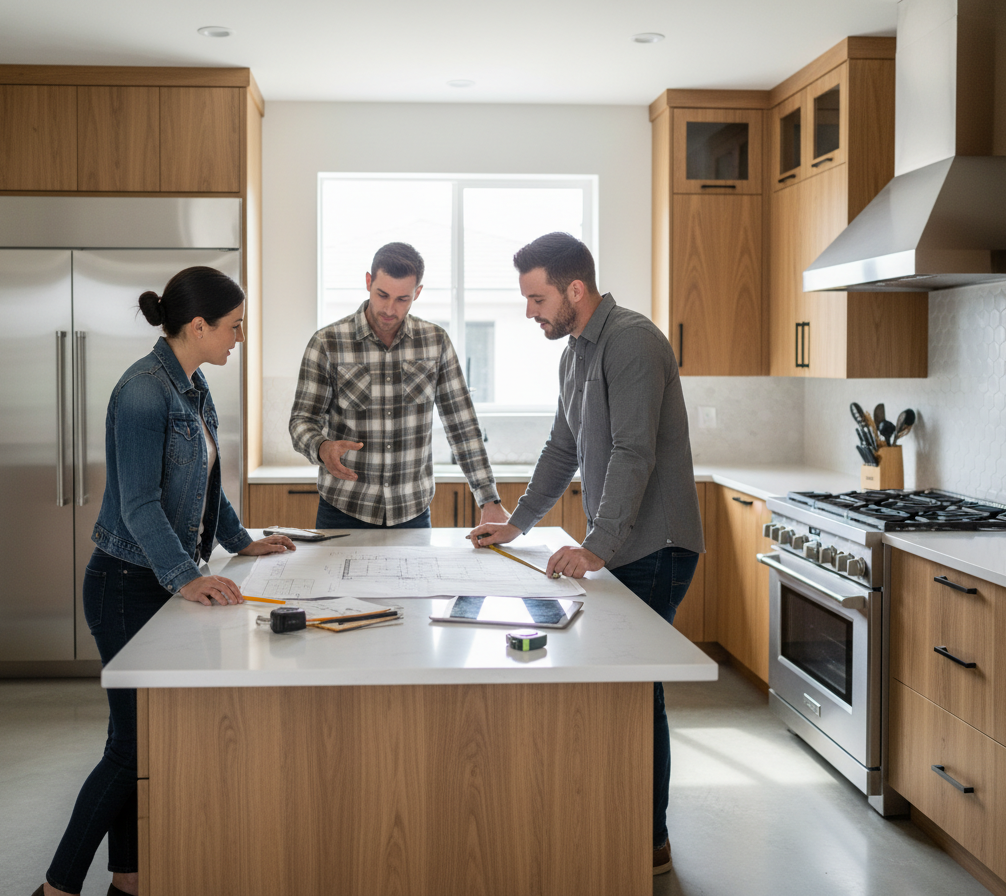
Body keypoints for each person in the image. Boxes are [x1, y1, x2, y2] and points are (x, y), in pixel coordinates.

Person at [35, 267, 295, 896]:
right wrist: (186, 577)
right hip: (126, 584)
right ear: (199, 326)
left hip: (156, 581)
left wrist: (240, 541)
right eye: (234, 327)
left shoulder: (192, 385)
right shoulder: (144, 392)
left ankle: (128, 881)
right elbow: (139, 507)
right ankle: (57, 889)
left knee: (140, 744)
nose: (239, 337)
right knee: (131, 748)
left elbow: (206, 485)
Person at [468, 232, 704, 876]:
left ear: (576, 289)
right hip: (626, 544)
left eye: (537, 299)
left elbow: (634, 452)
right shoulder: (575, 352)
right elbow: (562, 447)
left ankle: (649, 839)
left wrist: (596, 544)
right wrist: (518, 523)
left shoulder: (632, 342)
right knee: (618, 688)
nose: (529, 312)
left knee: (637, 690)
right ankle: (614, 820)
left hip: (657, 545)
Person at [289, 241, 509, 529]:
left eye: (402, 299)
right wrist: (321, 447)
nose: (389, 309)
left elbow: (462, 425)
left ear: (417, 292)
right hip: (343, 509)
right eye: (382, 295)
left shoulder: (435, 342)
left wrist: (489, 500)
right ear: (368, 282)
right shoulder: (327, 343)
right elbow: (302, 420)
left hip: (412, 513)